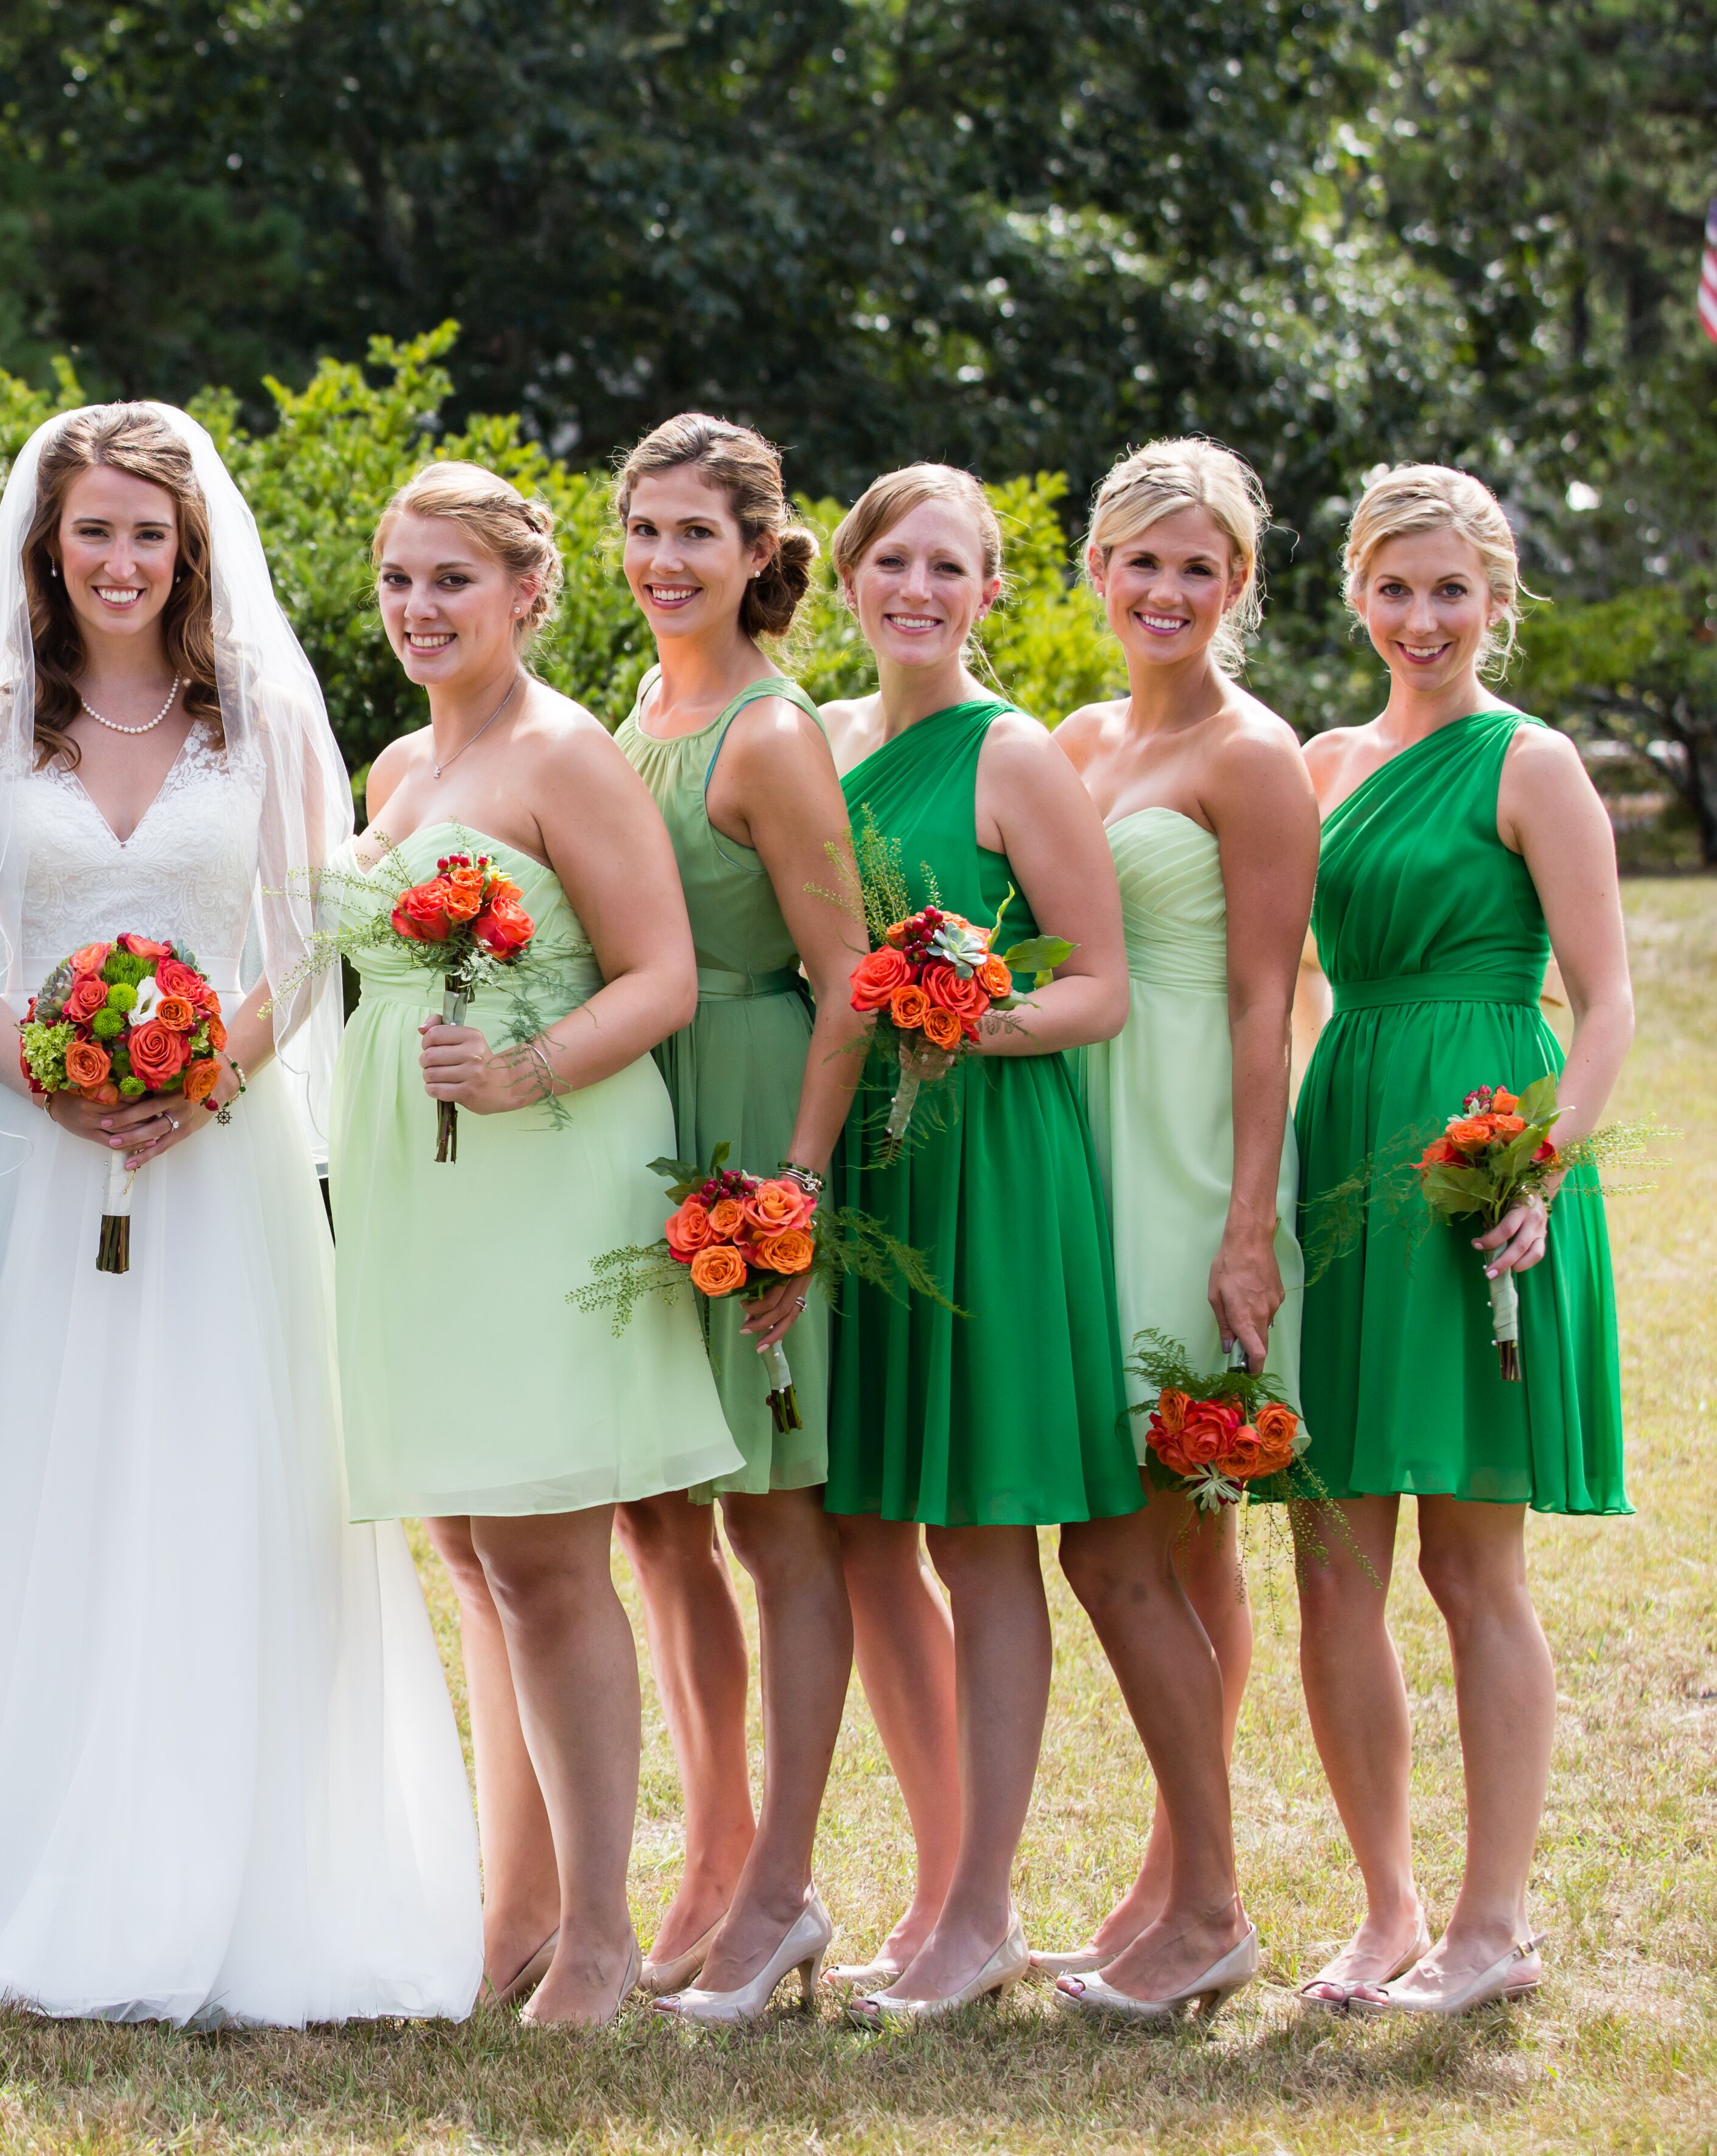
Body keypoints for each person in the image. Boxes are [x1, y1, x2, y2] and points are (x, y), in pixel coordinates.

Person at [0, 402, 480, 2023]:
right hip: (38, 1158)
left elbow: (318, 936)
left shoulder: (270, 718)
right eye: (95, 530)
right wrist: (57, 1074)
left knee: (234, 1488)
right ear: (48, 543)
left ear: (190, 545)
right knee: (41, 1488)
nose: (123, 559)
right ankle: (10, 1841)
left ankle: (243, 1859)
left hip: (226, 1165)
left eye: (151, 532)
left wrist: (211, 1069)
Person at [332, 460, 733, 2026]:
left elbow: (662, 978)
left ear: (524, 593)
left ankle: (603, 1940)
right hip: (418, 1188)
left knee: (552, 1557)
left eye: (452, 582)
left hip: (546, 1172)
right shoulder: (391, 774)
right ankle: (515, 1912)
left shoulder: (567, 757)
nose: (422, 611)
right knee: (468, 1543)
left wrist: (522, 1071)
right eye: (399, 583)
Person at [818, 467, 1169, 2025]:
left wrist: (969, 1021)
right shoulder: (828, 742)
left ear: (991, 590)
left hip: (994, 1156)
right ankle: (938, 1887)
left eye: (948, 565)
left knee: (986, 1530)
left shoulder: (1013, 751)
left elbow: (1101, 982)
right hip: (872, 1173)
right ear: (847, 580)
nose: (918, 588)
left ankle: (981, 1913)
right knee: (875, 1525)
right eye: (892, 560)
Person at [1288, 465, 1632, 2017]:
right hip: (1344, 1143)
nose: (1422, 619)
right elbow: (1284, 973)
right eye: (1394, 587)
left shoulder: (1534, 761)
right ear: (1355, 593)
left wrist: (1540, 1170)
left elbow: (1609, 996)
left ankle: (1496, 1926)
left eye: (1451, 591)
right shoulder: (1320, 762)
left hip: (1480, 1165)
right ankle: (1387, 1911)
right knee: (1332, 1555)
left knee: (1471, 1565)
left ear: (1498, 602)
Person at [601, 415, 877, 2025]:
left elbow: (846, 978)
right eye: (644, 530)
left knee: (778, 1521)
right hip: (646, 1130)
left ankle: (781, 1888)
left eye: (698, 534)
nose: (664, 562)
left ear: (763, 552)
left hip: (758, 1114)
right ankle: (709, 1865)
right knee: (658, 1515)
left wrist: (799, 1186)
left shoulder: (771, 736)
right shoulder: (642, 706)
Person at [1042, 437, 1314, 2015]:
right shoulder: (1076, 741)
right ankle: (1170, 1885)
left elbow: (1268, 999)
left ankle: (1210, 1906)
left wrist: (1247, 1224)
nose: (1166, 590)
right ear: (1098, 571)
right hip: (1079, 1146)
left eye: (1197, 566)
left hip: (1187, 1152)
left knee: (1125, 1532)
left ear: (1238, 586)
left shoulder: (1251, 754)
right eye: (1141, 560)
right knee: (1185, 1551)